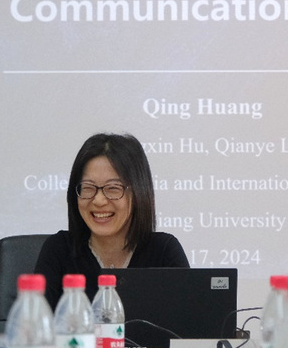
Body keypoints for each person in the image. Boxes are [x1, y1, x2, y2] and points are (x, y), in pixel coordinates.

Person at [35, 132, 190, 309]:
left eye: (113, 188)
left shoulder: (164, 252)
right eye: (88, 188)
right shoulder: (58, 250)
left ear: (138, 192)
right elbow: (36, 323)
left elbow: (190, 322)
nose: (99, 200)